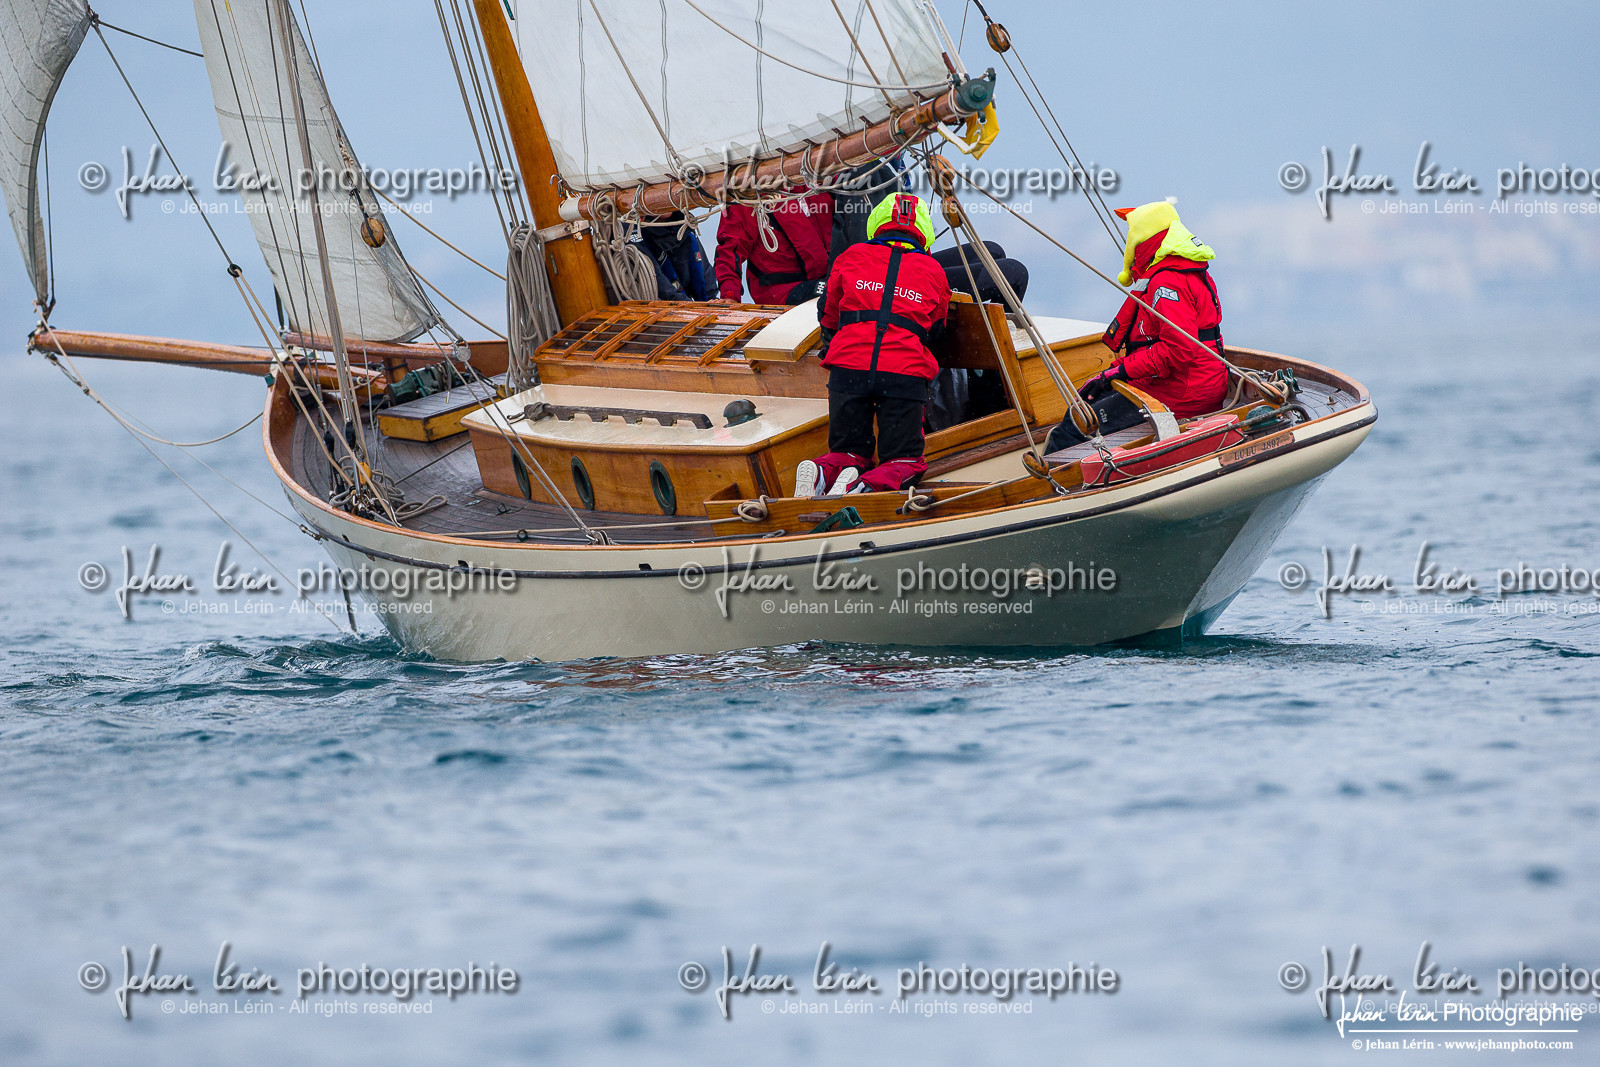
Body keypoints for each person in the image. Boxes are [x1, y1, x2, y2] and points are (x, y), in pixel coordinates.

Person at [794, 192, 952, 497]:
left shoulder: (850, 257)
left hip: (847, 370)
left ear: (876, 223)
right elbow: (936, 329)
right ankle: (864, 486)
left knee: (848, 452)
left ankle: (822, 473)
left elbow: (828, 316)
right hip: (903, 374)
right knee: (905, 459)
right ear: (924, 232)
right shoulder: (934, 271)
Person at [1045, 200, 1228, 453]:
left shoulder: (1168, 282)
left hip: (1183, 393)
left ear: (1142, 240)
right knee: (1085, 407)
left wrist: (1116, 374)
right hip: (1189, 382)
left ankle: (1056, 489)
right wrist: (1113, 372)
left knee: (1073, 427)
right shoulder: (1181, 269)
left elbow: (1179, 350)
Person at [713, 190, 833, 305]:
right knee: (836, 291)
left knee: (843, 286)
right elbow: (730, 249)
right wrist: (730, 295)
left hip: (825, 278)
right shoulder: (748, 197)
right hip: (781, 290)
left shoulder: (819, 183)